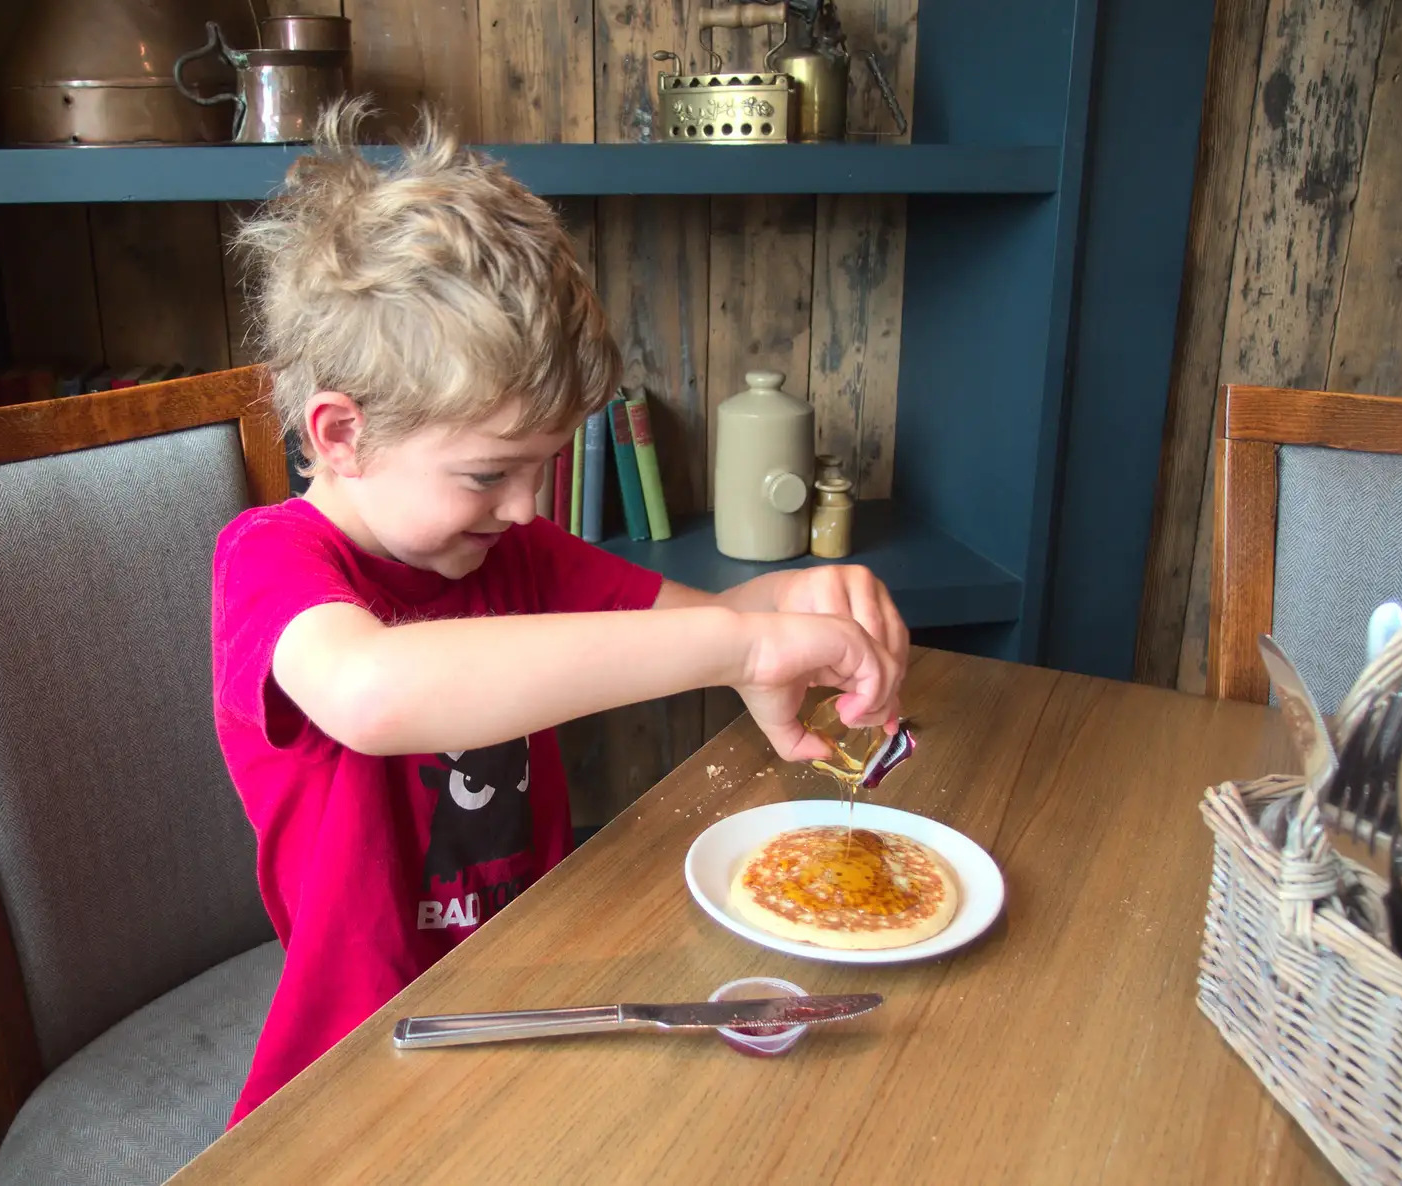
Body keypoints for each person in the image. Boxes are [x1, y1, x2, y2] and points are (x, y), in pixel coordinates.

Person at [210, 97, 910, 1126]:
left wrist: (800, 606)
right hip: (363, 1059)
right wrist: (744, 638)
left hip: (534, 993)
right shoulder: (271, 561)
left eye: (541, 469)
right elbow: (371, 692)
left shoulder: (515, 549)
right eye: (490, 471)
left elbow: (693, 621)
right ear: (342, 433)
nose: (526, 506)